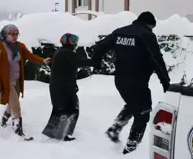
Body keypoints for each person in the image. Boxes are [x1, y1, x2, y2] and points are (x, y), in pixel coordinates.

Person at [92, 11, 171, 154]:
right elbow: (157, 60)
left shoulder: (119, 33)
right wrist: (166, 83)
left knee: (134, 104)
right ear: (149, 24)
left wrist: (96, 64)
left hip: (120, 82)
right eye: (151, 27)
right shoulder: (146, 35)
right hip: (138, 83)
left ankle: (115, 129)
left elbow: (99, 47)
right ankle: (131, 149)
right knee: (143, 113)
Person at [0, 24, 51, 141]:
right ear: (5, 35)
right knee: (16, 105)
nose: (15, 36)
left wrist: (43, 60)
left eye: (17, 34)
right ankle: (18, 130)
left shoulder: (20, 46)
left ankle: (4, 119)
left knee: (12, 102)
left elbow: (30, 56)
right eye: (12, 34)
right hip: (6, 81)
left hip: (17, 80)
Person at [42, 33, 93, 141]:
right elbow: (79, 62)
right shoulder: (67, 53)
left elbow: (65, 68)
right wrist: (95, 61)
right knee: (71, 109)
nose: (76, 43)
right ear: (68, 42)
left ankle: (54, 131)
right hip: (63, 88)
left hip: (61, 86)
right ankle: (62, 133)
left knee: (61, 109)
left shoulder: (61, 51)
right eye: (74, 40)